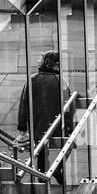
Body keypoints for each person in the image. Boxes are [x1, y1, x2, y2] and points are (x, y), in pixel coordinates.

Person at [16, 52, 76, 185]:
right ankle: (57, 169)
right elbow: (68, 107)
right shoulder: (61, 81)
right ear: (56, 65)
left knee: (42, 153)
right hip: (56, 125)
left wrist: (22, 126)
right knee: (67, 146)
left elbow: (24, 103)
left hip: (37, 125)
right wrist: (70, 126)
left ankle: (42, 179)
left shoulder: (32, 79)